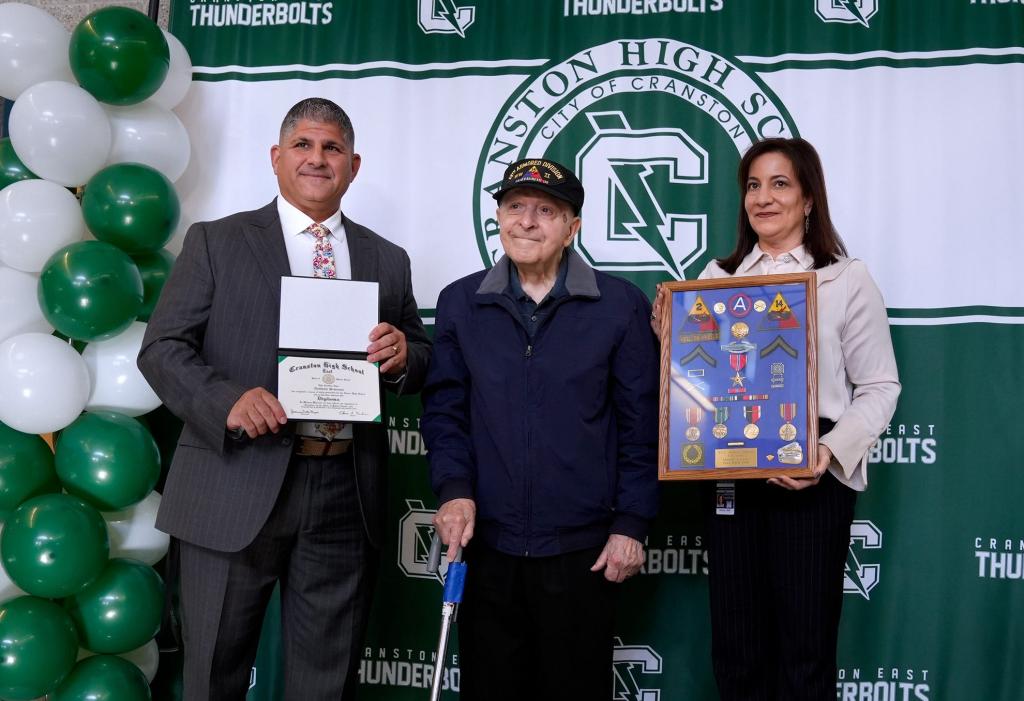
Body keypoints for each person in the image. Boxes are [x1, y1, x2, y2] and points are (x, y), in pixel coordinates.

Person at [137, 97, 430, 700]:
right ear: (276, 157)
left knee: (326, 685)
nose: (317, 158)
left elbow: (421, 358)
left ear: (354, 165)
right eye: (303, 145)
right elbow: (162, 348)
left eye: (332, 148)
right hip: (232, 482)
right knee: (213, 674)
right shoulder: (216, 241)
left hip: (344, 495)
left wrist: (404, 355)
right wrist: (227, 400)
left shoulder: (387, 259)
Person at [653, 137, 900, 700]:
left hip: (810, 466)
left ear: (809, 198)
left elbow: (881, 386)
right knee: (736, 649)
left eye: (780, 183)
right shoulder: (713, 280)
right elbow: (694, 383)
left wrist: (830, 452)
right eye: (753, 185)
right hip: (725, 466)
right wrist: (667, 333)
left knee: (805, 652)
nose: (763, 198)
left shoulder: (845, 278)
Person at [421, 158, 660, 700]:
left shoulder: (619, 305)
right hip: (487, 545)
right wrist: (454, 491)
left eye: (545, 210)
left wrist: (631, 523)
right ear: (498, 218)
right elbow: (445, 411)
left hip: (584, 550)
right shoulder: (462, 302)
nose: (527, 221)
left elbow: (641, 425)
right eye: (514, 207)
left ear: (572, 226)